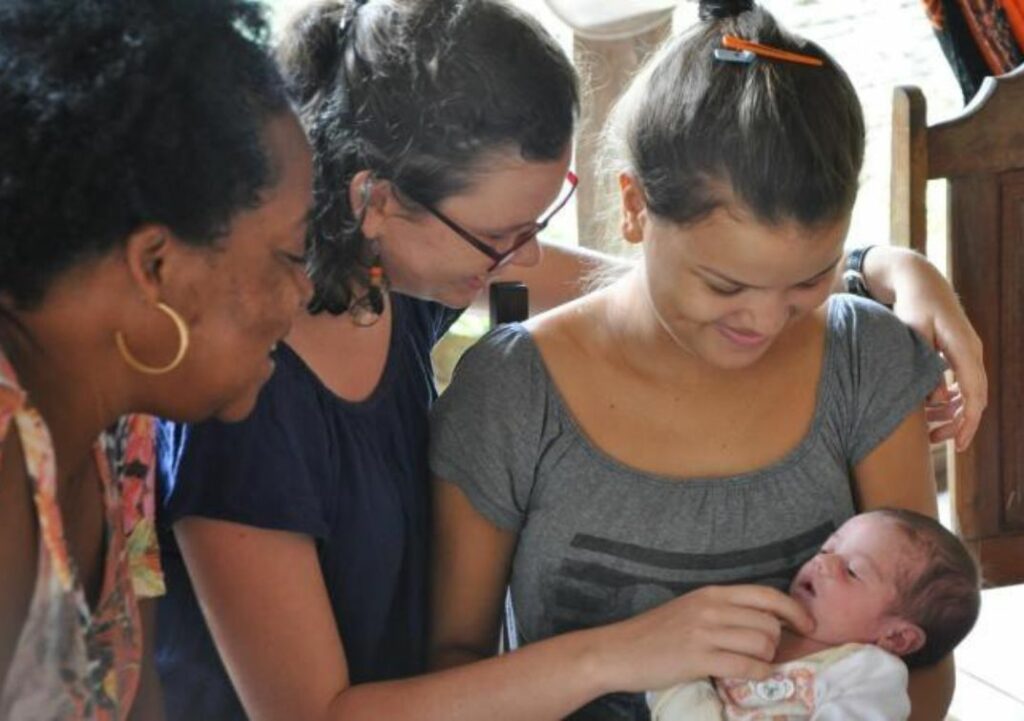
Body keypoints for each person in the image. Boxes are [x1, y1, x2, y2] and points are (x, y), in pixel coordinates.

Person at [156, 0, 983, 720]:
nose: (523, 263)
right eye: (504, 236)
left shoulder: (387, 282)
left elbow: (652, 283)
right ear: (376, 202)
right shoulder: (244, 400)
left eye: (537, 222)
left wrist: (880, 269)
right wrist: (627, 650)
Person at [428, 1, 962, 720]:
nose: (766, 320)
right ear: (634, 208)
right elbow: (451, 664)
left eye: (809, 280)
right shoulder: (513, 394)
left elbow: (920, 666)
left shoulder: (863, 361)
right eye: (725, 285)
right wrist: (627, 649)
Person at [0, 0, 314, 718]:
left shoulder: (122, 433)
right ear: (157, 266)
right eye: (290, 254)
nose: (303, 291)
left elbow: (139, 700)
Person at [648, 509, 981, 720]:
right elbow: (673, 674)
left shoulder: (868, 672)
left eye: (852, 571)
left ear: (895, 636)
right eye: (828, 549)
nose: (823, 562)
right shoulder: (755, 622)